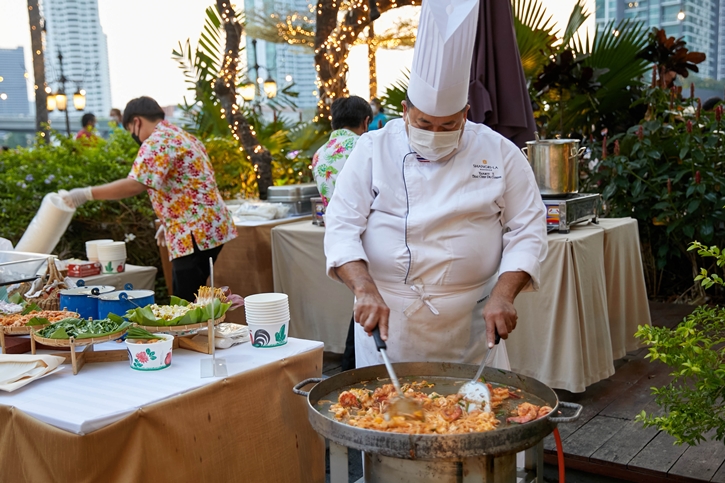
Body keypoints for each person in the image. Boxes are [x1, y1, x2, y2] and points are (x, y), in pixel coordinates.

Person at [324, 0, 547, 369]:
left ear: (466, 114)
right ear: (404, 110)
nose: (435, 134)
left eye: (448, 126)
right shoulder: (371, 149)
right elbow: (342, 224)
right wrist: (364, 288)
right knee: (383, 415)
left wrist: (505, 294)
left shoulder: (499, 151)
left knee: (476, 416)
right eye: (425, 124)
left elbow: (528, 227)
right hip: (388, 320)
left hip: (472, 322)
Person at [60, 96, 238, 301]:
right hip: (211, 225)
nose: (133, 136)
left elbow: (135, 184)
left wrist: (87, 193)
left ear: (136, 122)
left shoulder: (156, 141)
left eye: (129, 130)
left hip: (192, 231)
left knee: (185, 303)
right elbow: (191, 183)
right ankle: (206, 330)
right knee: (200, 299)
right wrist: (169, 220)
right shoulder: (181, 135)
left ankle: (192, 333)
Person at [312, 95, 372, 371]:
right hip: (369, 236)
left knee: (362, 301)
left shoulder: (320, 153)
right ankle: (353, 368)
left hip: (339, 242)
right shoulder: (366, 145)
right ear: (366, 122)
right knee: (369, 302)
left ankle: (352, 366)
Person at [312, 95, 372, 205]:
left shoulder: (318, 154)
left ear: (333, 123)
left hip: (331, 221)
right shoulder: (366, 145)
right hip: (364, 221)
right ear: (365, 122)